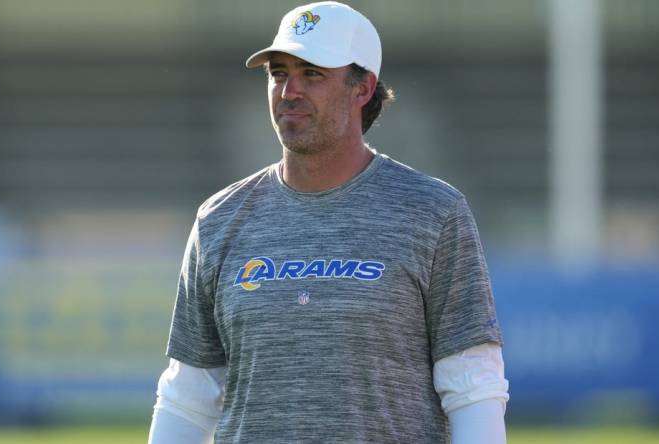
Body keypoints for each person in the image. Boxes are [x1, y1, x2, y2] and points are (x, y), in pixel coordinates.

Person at [148, 2, 509, 443]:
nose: (289, 90)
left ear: (363, 88)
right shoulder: (219, 219)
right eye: (278, 73)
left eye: (312, 73)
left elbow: (473, 388)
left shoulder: (433, 213)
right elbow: (188, 396)